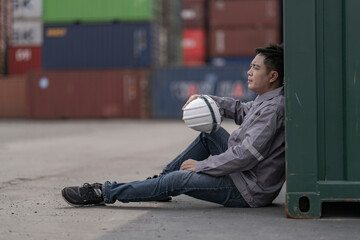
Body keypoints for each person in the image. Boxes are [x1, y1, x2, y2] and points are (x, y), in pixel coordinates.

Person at [61, 44, 285, 208]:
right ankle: (161, 184)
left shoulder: (273, 109)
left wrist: (201, 166)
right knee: (210, 134)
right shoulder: (265, 100)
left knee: (179, 180)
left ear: (272, 76)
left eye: (255, 68)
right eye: (250, 66)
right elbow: (239, 110)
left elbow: (244, 156)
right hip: (244, 173)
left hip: (247, 189)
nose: (249, 72)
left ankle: (105, 191)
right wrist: (206, 99)